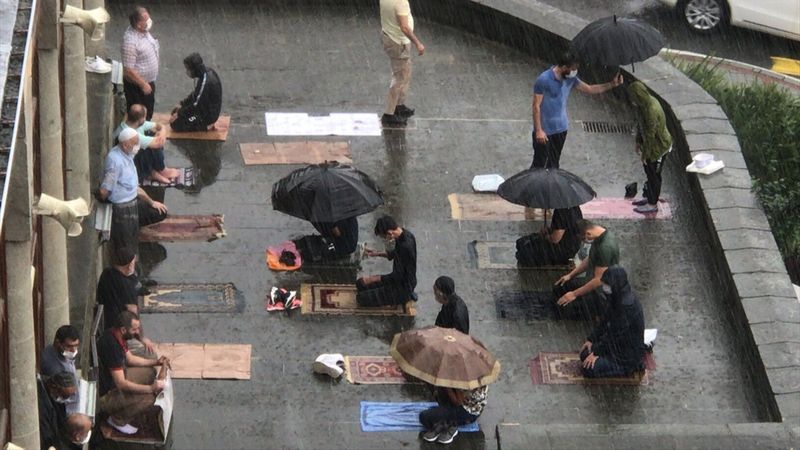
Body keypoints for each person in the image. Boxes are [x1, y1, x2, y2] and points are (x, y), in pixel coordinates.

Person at [531, 52, 623, 168]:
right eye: (573, 69)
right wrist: (539, 130)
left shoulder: (571, 79)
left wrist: (612, 84)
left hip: (561, 129)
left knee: (553, 165)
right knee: (539, 164)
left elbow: (590, 89)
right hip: (545, 131)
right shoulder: (544, 80)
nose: (575, 72)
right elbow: (536, 106)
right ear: (564, 68)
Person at [97, 128, 168, 254]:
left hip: (133, 199)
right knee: (126, 243)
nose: (137, 146)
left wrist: (152, 203)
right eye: (134, 143)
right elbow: (104, 191)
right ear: (124, 145)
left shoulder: (128, 155)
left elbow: (135, 187)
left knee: (159, 211)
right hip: (122, 207)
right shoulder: (115, 162)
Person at [98, 311, 170, 435]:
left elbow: (130, 359)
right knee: (150, 398)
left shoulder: (116, 335)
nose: (137, 332)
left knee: (150, 372)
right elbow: (121, 384)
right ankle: (117, 420)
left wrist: (156, 362)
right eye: (134, 329)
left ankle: (132, 402)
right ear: (123, 330)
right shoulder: (112, 347)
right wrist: (150, 388)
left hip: (119, 376)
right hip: (107, 394)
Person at [579, 266, 646, 377]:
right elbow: (605, 320)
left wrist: (597, 353)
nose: (605, 288)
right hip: (616, 346)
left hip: (625, 355)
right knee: (585, 354)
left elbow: (615, 335)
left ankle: (628, 368)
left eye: (607, 285)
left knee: (588, 368)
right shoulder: (616, 297)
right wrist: (591, 339)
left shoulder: (626, 306)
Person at [96, 247, 156, 357]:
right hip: (119, 333)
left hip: (106, 326)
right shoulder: (126, 286)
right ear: (129, 265)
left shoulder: (106, 273)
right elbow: (133, 314)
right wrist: (142, 337)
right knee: (150, 354)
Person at [553, 220, 619, 319]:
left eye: (583, 239)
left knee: (563, 309)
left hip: (601, 293)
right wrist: (570, 275)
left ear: (588, 233)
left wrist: (574, 294)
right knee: (560, 287)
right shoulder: (598, 234)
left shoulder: (605, 247)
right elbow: (589, 259)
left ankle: (597, 311)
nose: (584, 242)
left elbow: (598, 280)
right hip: (590, 280)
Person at [627, 81, 673, 214]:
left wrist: (646, 155)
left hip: (659, 147)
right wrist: (638, 141)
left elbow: (650, 135)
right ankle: (650, 198)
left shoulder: (651, 110)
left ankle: (652, 204)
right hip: (651, 145)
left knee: (654, 175)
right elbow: (641, 125)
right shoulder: (644, 105)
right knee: (649, 172)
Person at [379, 0, 425, 127]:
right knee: (400, 77)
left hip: (389, 37)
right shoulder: (400, 2)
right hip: (398, 43)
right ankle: (389, 114)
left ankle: (399, 106)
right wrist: (418, 43)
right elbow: (404, 27)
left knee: (405, 73)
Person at [357, 215, 417, 306]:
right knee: (360, 284)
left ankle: (406, 297)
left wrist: (373, 279)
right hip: (397, 282)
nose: (386, 239)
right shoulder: (404, 235)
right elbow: (393, 254)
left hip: (403, 287)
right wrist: (377, 253)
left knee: (361, 298)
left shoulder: (405, 246)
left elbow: (397, 276)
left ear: (389, 233)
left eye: (384, 237)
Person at [115, 104, 177, 184]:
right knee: (151, 147)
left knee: (152, 137)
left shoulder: (133, 123)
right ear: (140, 119)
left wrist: (161, 132)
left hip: (131, 156)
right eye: (144, 117)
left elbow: (159, 126)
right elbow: (159, 144)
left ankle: (153, 171)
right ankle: (158, 171)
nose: (145, 119)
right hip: (128, 165)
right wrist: (161, 135)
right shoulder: (133, 135)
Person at [122, 6, 159, 120]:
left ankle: (146, 130)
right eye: (146, 20)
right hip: (138, 86)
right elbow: (128, 70)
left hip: (148, 82)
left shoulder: (143, 32)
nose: (149, 21)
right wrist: (143, 84)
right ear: (138, 24)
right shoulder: (130, 42)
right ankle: (139, 135)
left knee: (148, 110)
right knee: (139, 115)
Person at [170, 53, 222, 132]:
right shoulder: (205, 73)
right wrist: (182, 104)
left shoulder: (206, 82)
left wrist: (179, 114)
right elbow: (196, 94)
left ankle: (206, 125)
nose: (187, 72)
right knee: (175, 112)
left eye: (188, 69)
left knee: (175, 124)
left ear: (195, 69)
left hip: (206, 115)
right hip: (203, 108)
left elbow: (196, 106)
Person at [516, 206, 583, 266]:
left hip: (562, 250)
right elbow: (565, 228)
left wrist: (545, 236)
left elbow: (555, 239)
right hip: (572, 247)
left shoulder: (562, 211)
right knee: (521, 243)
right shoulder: (574, 207)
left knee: (523, 252)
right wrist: (549, 230)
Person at [419, 385, 487, 445]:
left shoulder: (461, 380)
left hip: (466, 413)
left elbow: (458, 403)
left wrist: (448, 387)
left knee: (424, 417)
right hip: (476, 410)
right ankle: (445, 420)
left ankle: (450, 425)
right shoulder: (477, 377)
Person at [39, 325, 81, 414]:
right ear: (58, 343)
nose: (73, 350)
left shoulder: (62, 353)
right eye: (69, 346)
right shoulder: (54, 366)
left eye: (76, 346)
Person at [37, 372, 77, 449]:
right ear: (54, 387)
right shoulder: (41, 399)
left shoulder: (54, 393)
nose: (66, 399)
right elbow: (46, 433)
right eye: (65, 396)